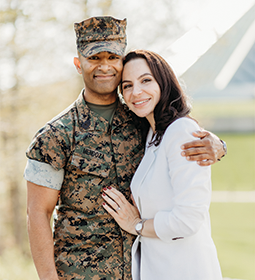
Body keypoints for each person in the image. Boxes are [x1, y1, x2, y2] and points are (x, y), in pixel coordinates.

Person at [24, 17, 226, 280]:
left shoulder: (142, 120)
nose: (104, 66)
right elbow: (38, 213)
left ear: (122, 62)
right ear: (78, 64)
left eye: (112, 57)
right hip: (81, 274)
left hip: (143, 270)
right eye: (94, 58)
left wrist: (219, 145)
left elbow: (178, 131)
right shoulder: (55, 136)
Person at [102, 50, 222, 280]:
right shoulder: (152, 135)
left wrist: (136, 225)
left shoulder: (181, 131)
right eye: (127, 86)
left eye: (146, 80)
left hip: (185, 270)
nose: (136, 92)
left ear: (164, 82)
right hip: (157, 269)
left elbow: (187, 220)